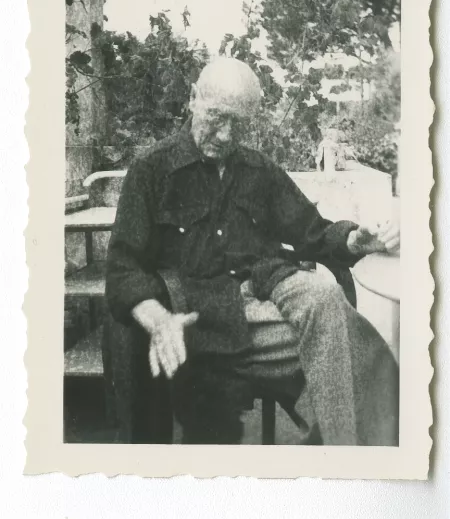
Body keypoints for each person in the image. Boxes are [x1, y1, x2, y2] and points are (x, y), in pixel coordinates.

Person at [105, 57, 400, 446]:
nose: (226, 135)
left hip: (266, 297)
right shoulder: (152, 171)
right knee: (351, 347)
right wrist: (158, 319)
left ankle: (342, 452)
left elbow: (312, 232)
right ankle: (337, 446)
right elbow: (123, 269)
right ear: (194, 99)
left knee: (328, 301)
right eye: (217, 117)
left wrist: (355, 241)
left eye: (239, 123)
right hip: (199, 320)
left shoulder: (259, 170)